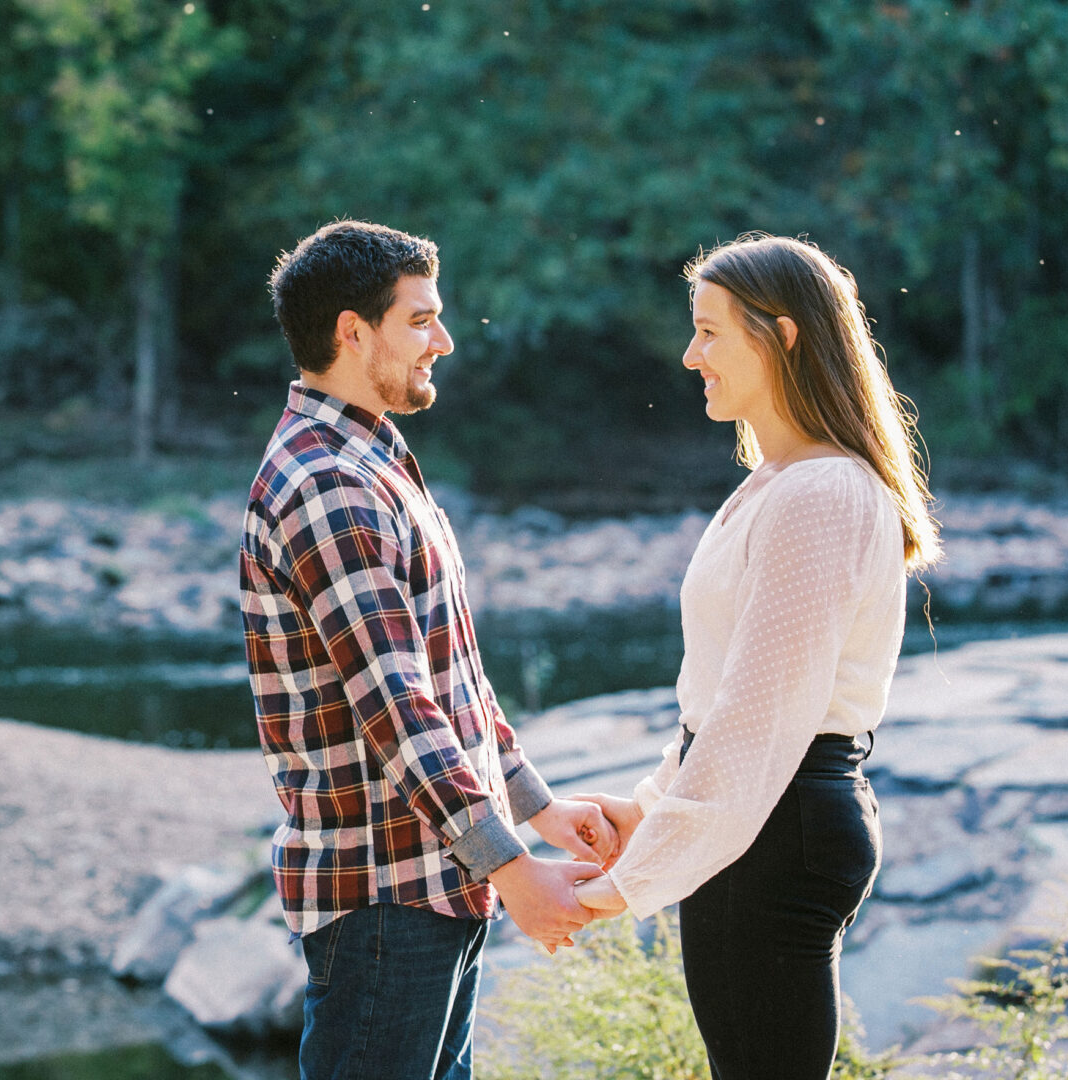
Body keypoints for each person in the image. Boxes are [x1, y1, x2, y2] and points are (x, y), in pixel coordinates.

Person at [240, 219, 616, 1080]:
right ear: (351, 331)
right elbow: (397, 709)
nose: (443, 341)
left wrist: (537, 807)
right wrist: (518, 872)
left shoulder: (370, 458)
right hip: (385, 900)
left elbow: (452, 680)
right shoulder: (329, 484)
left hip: (427, 887)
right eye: (420, 320)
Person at [571, 232, 941, 1080]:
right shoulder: (776, 483)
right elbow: (719, 699)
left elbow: (760, 716)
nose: (690, 353)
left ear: (782, 337)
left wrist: (627, 884)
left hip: (781, 825)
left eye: (709, 332)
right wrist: (648, 809)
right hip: (764, 820)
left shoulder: (823, 491)